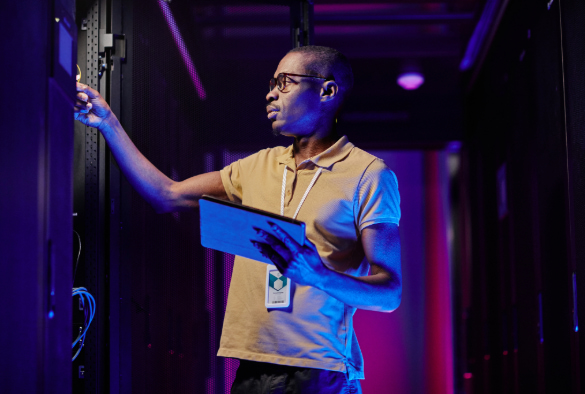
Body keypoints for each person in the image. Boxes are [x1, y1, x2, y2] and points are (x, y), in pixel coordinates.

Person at [74, 45, 402, 394]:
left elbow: (389, 293)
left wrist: (317, 274)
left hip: (320, 371)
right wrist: (107, 122)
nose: (271, 93)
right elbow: (165, 194)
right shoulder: (257, 165)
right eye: (272, 83)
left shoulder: (369, 174)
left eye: (285, 82)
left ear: (327, 90)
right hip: (250, 367)